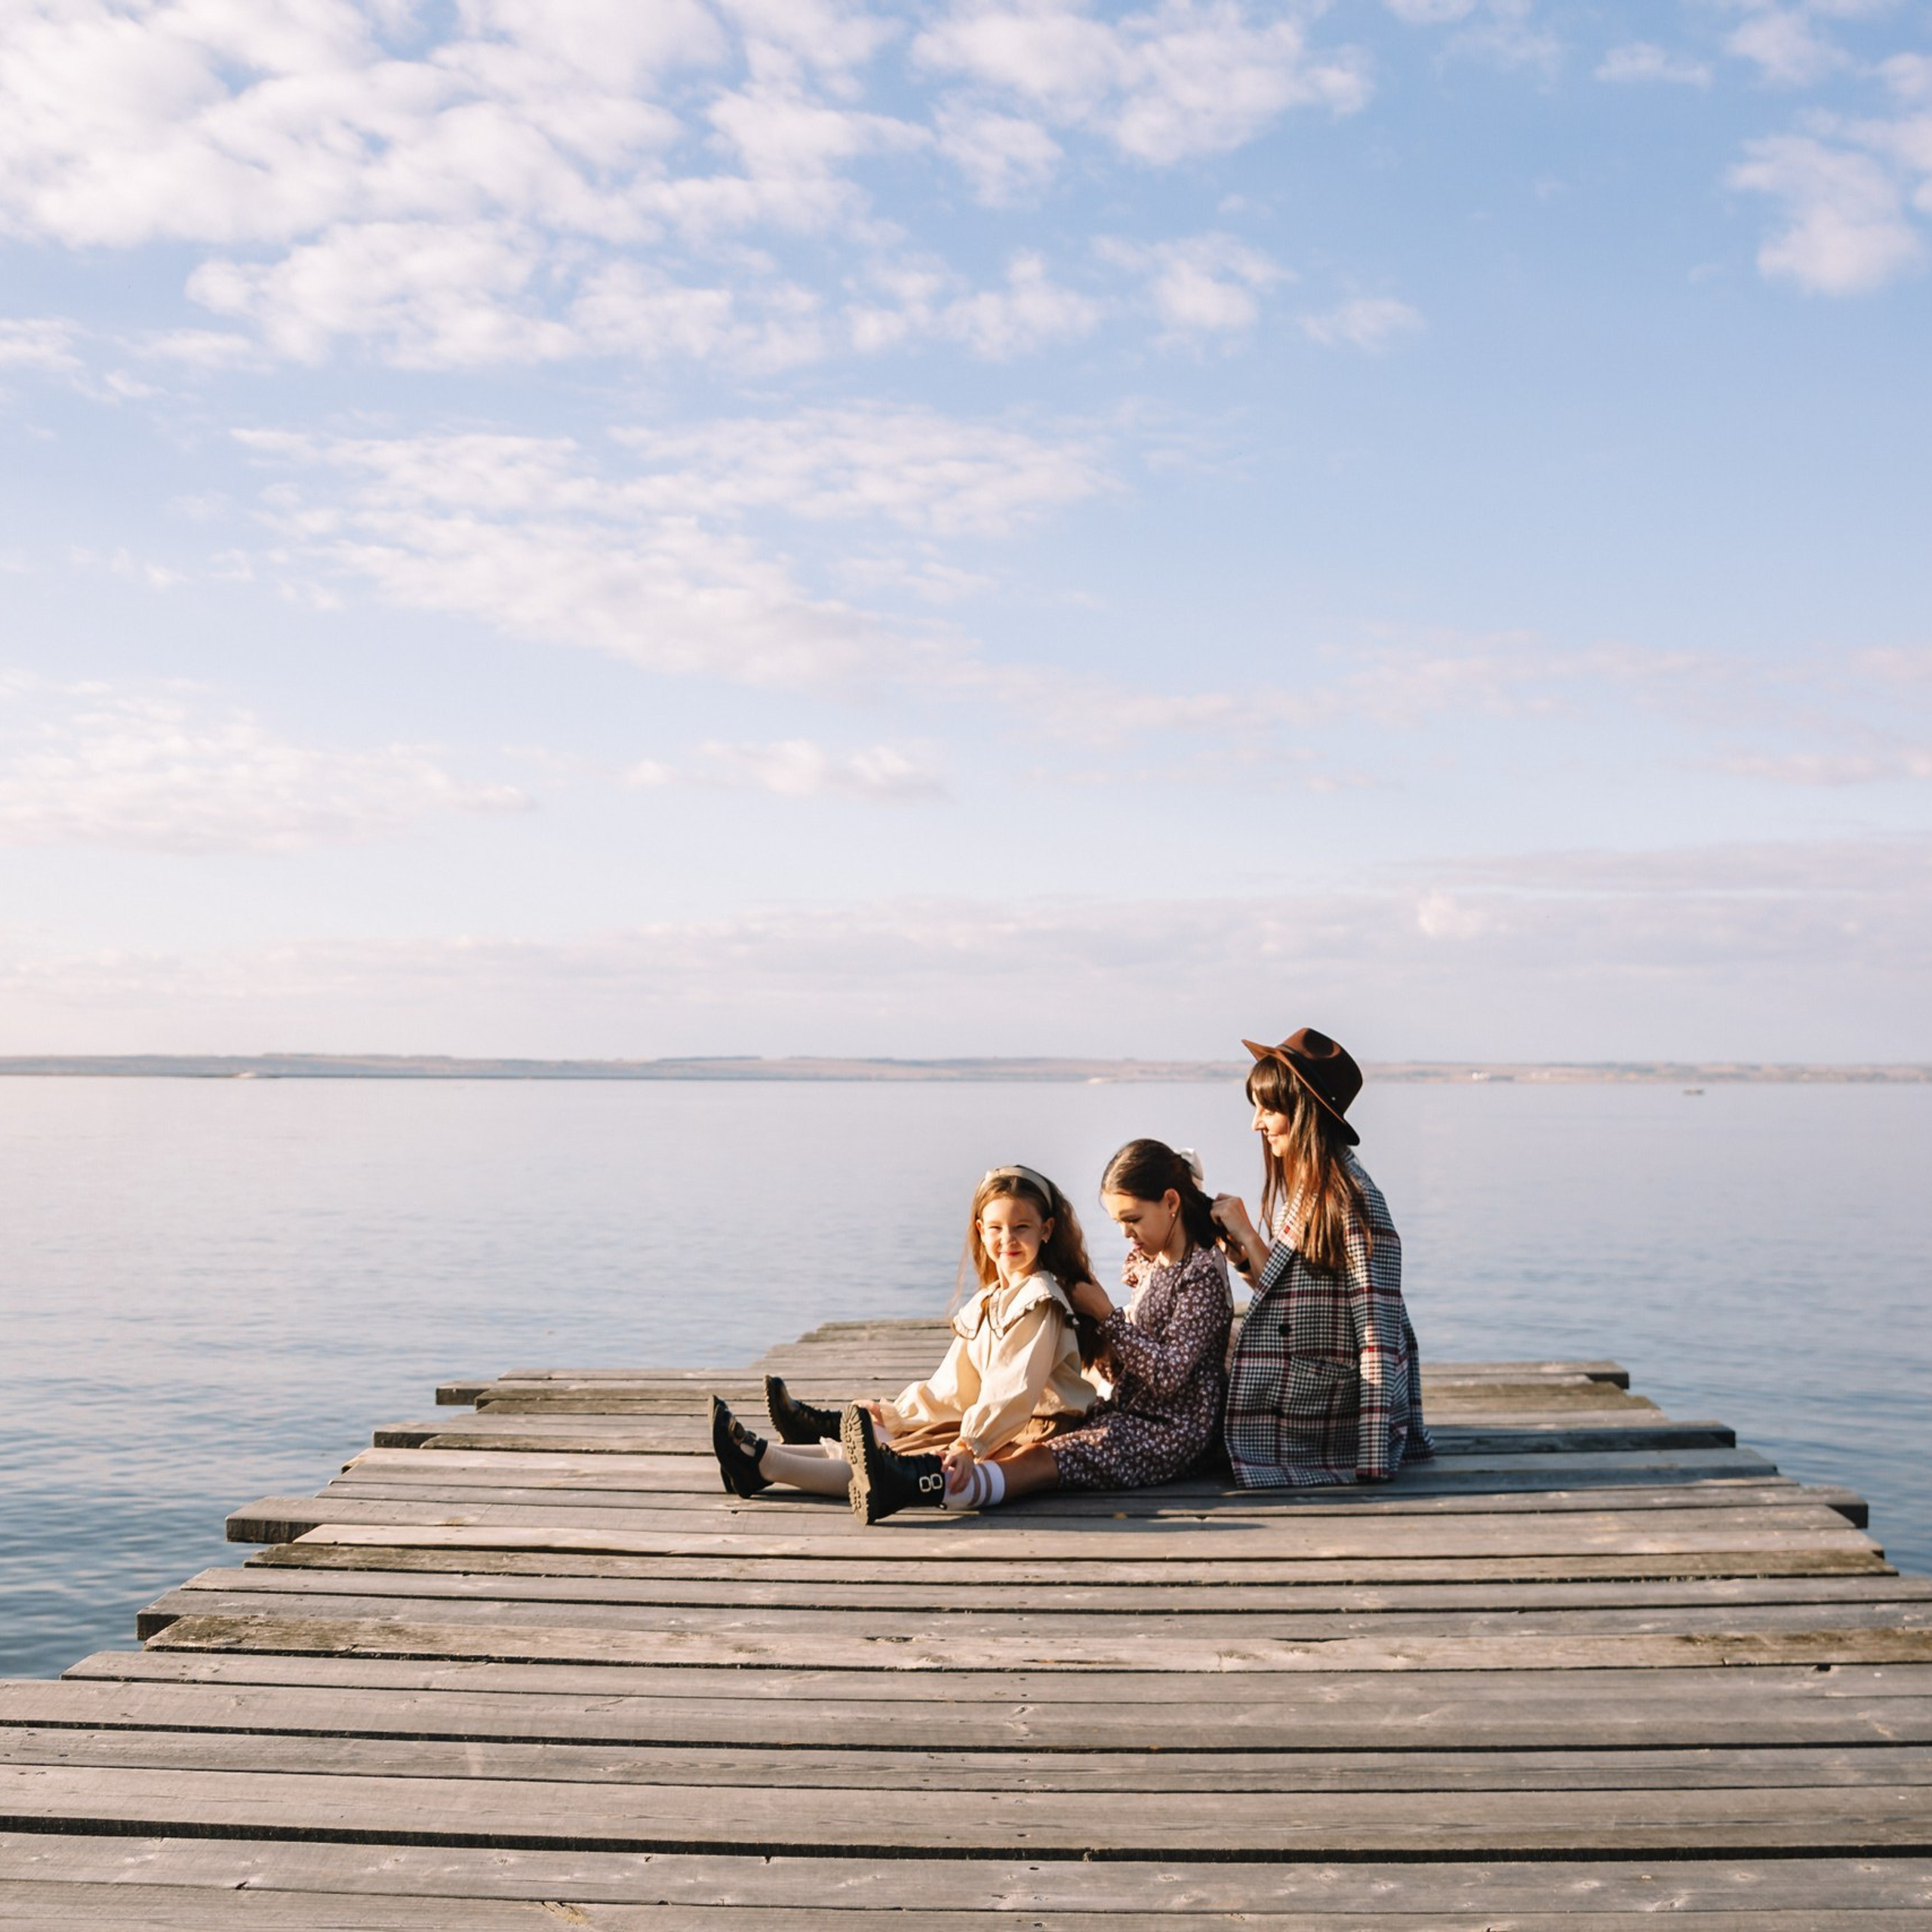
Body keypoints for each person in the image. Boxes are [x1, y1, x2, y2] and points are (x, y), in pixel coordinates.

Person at [709, 1164, 1097, 1522]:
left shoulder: (1040, 1300)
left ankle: (764, 1463)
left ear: (1045, 1230)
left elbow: (1015, 1391)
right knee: (890, 1446)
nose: (1007, 1239)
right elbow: (955, 1385)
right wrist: (897, 1412)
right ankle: (759, 1459)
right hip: (995, 1422)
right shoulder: (990, 1299)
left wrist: (970, 1444)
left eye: (1021, 1227)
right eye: (996, 1228)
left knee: (894, 1465)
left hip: (1033, 1429)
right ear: (981, 1230)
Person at [934, 1138, 1233, 1509]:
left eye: (1133, 1220)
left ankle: (940, 1490)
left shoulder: (1200, 1274)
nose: (1126, 1233)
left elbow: (1169, 1375)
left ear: (1171, 1203)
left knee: (1043, 1458)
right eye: (1119, 1222)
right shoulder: (1151, 1262)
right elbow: (1134, 1357)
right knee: (1033, 1440)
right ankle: (930, 1471)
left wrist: (1106, 1316)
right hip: (1129, 1411)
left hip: (1173, 1430)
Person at [1210, 1027, 1433, 1487]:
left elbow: (1378, 1335)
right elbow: (1297, 1302)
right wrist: (1245, 1247)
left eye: (1269, 1110)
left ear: (1305, 1112)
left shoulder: (1354, 1201)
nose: (1256, 1124)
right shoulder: (1311, 1186)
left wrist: (1373, 1460)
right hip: (1304, 1396)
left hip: (1321, 1422)